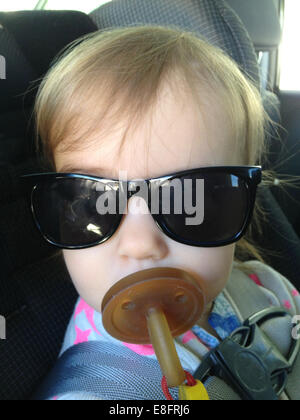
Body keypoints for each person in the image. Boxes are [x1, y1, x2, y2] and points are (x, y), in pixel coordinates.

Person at [28, 25, 299, 400]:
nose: (141, 245)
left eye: (192, 202)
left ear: (245, 206)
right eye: (93, 202)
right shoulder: (98, 389)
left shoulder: (267, 290)